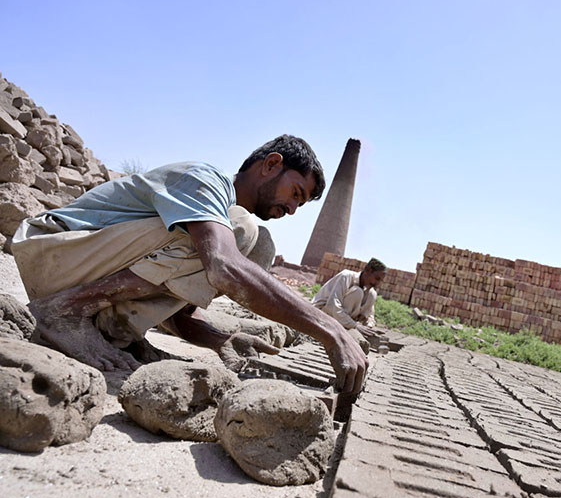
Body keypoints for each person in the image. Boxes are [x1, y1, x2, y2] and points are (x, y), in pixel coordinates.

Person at [11, 135, 369, 396]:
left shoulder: (220, 216)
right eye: (295, 194)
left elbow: (176, 307)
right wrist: (330, 329)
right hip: (52, 253)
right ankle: (66, 311)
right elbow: (223, 267)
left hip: (78, 266)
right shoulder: (205, 180)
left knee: (255, 244)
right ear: (272, 164)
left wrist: (220, 339)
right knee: (241, 233)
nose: (292, 210)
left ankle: (114, 332)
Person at [312, 258, 386, 353]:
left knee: (372, 294)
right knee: (357, 292)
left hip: (344, 321)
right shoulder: (346, 276)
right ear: (367, 270)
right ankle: (344, 329)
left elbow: (370, 315)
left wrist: (369, 328)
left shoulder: (369, 291)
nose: (377, 284)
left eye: (381, 281)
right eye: (377, 279)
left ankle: (347, 329)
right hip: (322, 314)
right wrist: (354, 325)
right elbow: (333, 306)